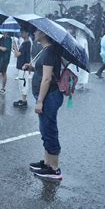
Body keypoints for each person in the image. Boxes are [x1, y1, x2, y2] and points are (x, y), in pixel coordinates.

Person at [23, 29, 64, 180]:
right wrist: (31, 67)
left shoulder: (49, 51)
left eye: (36, 31)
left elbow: (47, 79)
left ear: (44, 34)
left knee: (49, 130)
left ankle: (54, 168)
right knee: (45, 129)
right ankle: (47, 163)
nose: (33, 32)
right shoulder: (45, 50)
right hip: (47, 96)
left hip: (49, 97)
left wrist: (40, 101)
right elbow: (44, 71)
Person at [13, 29, 32, 107]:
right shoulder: (25, 43)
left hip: (24, 67)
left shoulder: (26, 43)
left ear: (27, 33)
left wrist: (14, 45)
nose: (21, 33)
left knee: (23, 83)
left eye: (23, 32)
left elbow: (17, 54)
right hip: (22, 67)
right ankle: (23, 99)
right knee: (21, 83)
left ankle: (24, 101)